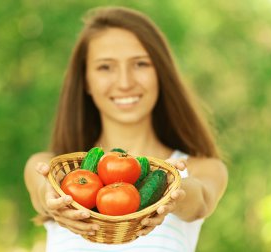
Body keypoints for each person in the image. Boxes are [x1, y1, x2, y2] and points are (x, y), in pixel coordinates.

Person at [24, 6, 228, 252]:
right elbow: (42, 191)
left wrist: (172, 189)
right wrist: (54, 199)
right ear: (86, 80)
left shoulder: (202, 169)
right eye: (105, 67)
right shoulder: (54, 170)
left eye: (140, 64)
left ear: (161, 74)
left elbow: (200, 201)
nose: (124, 82)